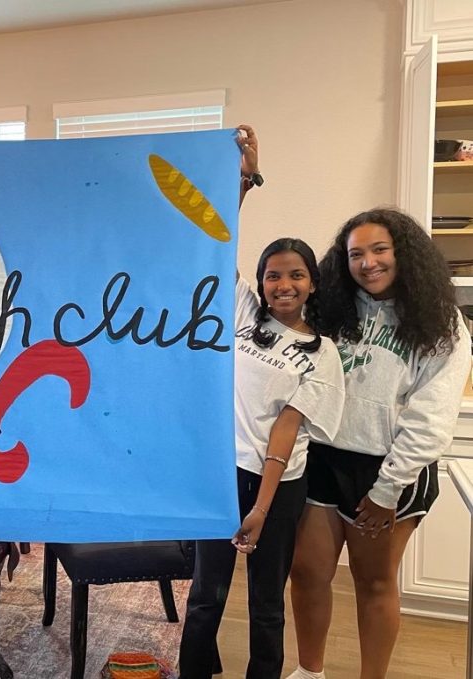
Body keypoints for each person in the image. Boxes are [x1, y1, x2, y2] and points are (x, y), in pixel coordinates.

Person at [179, 128, 346, 679]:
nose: (283, 284)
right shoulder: (245, 316)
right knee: (206, 595)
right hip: (220, 475)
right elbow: (215, 244)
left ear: (312, 284)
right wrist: (242, 182)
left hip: (276, 485)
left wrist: (259, 507)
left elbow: (285, 432)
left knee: (266, 605)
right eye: (273, 275)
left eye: (296, 275)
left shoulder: (321, 356)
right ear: (261, 283)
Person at [287, 208, 472, 679]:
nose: (367, 262)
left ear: (403, 253)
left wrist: (388, 489)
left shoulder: (442, 324)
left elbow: (432, 417)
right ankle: (310, 672)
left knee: (373, 583)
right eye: (355, 254)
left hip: (389, 470)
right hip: (324, 458)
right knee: (307, 574)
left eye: (379, 250)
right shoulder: (330, 310)